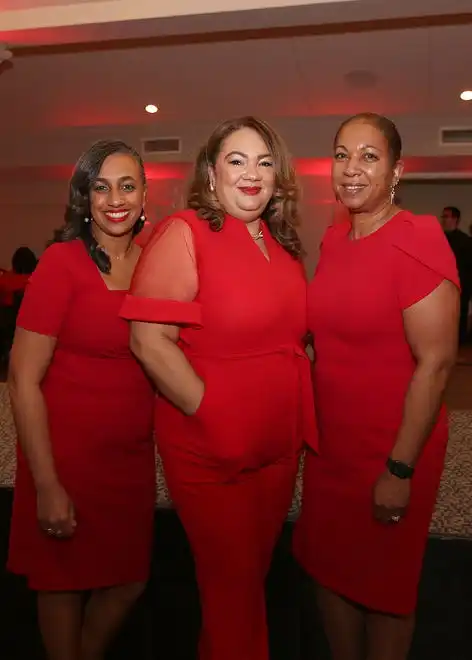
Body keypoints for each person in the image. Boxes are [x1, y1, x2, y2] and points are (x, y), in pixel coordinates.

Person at [120, 115, 317, 660]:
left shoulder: (282, 247)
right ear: (211, 173)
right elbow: (149, 341)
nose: (251, 174)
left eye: (264, 161)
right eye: (237, 160)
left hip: (277, 450)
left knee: (248, 586)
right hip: (211, 448)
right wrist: (214, 410)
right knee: (233, 595)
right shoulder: (186, 232)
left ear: (278, 177)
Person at [293, 113, 459, 660]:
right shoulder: (335, 238)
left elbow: (434, 364)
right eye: (342, 154)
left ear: (396, 171)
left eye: (369, 155)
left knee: (385, 588)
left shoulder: (419, 240)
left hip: (393, 445)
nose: (352, 168)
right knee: (327, 565)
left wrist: (399, 469)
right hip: (332, 445)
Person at [8, 140, 156, 660]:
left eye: (127, 184)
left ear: (144, 194)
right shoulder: (61, 262)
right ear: (84, 198)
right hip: (64, 455)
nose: (114, 198)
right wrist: (46, 484)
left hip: (130, 461)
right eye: (100, 186)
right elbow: (23, 377)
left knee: (130, 579)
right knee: (62, 583)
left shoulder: (157, 261)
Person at [441, 206, 472, 343]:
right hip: (441, 285)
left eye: (446, 216)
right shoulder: (439, 238)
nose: (444, 220)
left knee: (460, 315)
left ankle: (460, 341)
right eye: (443, 217)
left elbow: (467, 267)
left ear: (455, 219)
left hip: (460, 285)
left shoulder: (465, 241)